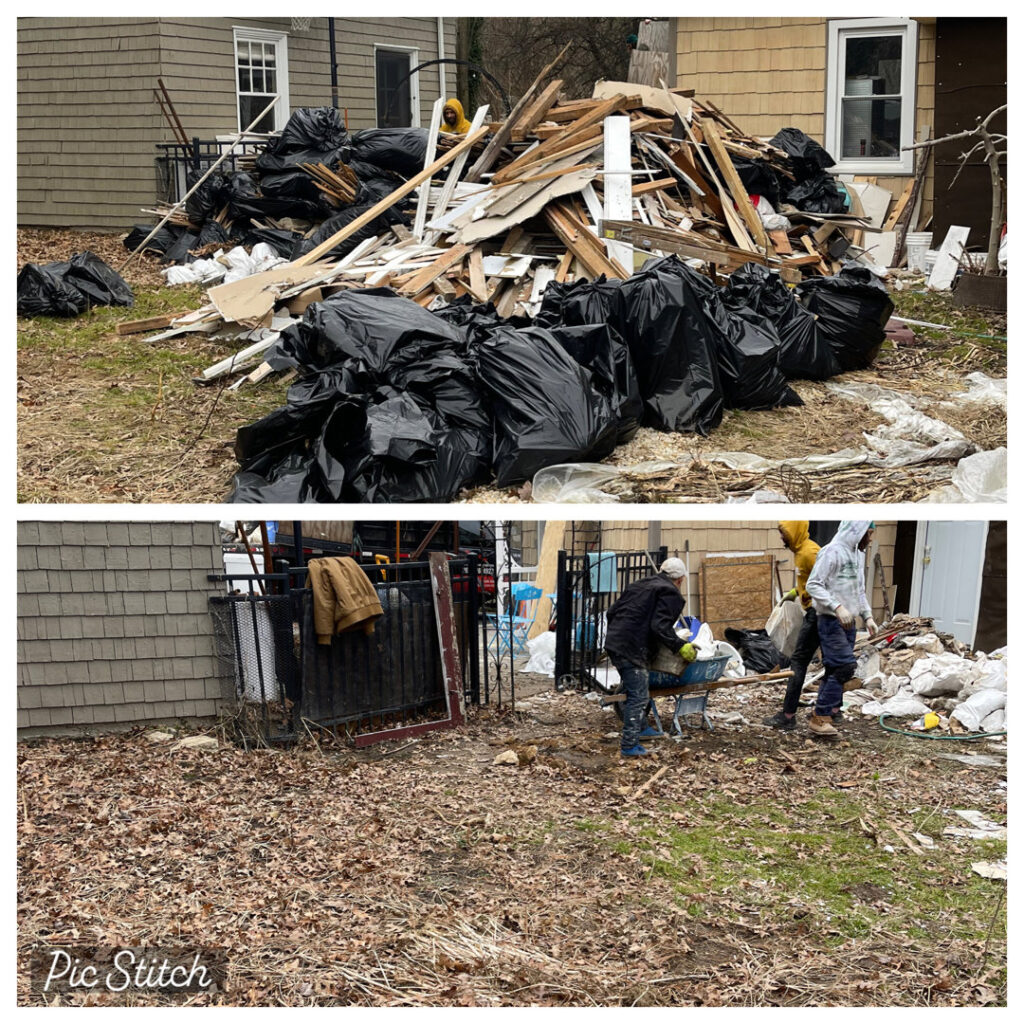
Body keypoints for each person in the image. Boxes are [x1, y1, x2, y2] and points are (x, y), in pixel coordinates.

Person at [604, 558, 696, 758]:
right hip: (632, 647)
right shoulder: (670, 593)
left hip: (614, 641)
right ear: (679, 580)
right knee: (639, 695)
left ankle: (642, 727)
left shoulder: (639, 585)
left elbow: (611, 612)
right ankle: (629, 745)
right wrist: (680, 646)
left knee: (635, 686)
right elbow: (659, 627)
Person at [804, 521, 878, 737]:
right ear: (857, 531)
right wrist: (836, 607)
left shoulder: (857, 554)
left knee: (833, 667)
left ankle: (828, 713)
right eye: (869, 533)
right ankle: (820, 718)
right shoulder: (831, 552)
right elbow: (813, 584)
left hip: (849, 622)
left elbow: (859, 590)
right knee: (844, 667)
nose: (870, 538)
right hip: (830, 621)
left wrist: (868, 616)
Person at [763, 521, 820, 731]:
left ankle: (788, 715)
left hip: (818, 613)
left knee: (798, 662)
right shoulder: (800, 551)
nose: (781, 537)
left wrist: (812, 601)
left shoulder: (809, 553)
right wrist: (797, 591)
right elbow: (809, 581)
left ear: (794, 532)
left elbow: (824, 581)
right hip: (814, 610)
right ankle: (830, 712)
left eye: (784, 533)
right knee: (829, 661)